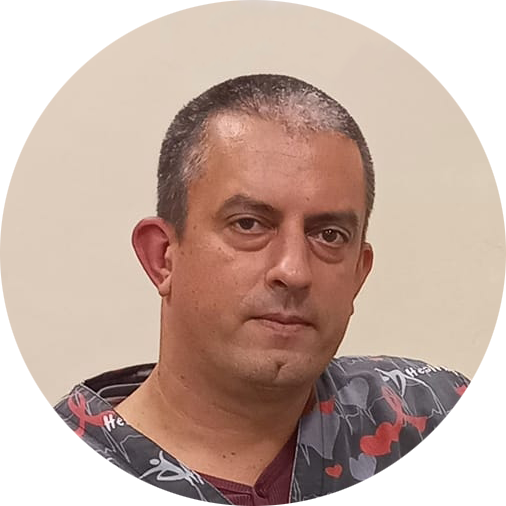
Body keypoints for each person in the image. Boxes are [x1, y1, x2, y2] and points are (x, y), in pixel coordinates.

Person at [54, 74, 470, 503]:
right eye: (249, 224)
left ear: (358, 275)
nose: (294, 271)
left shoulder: (424, 414)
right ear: (163, 257)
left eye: (329, 235)